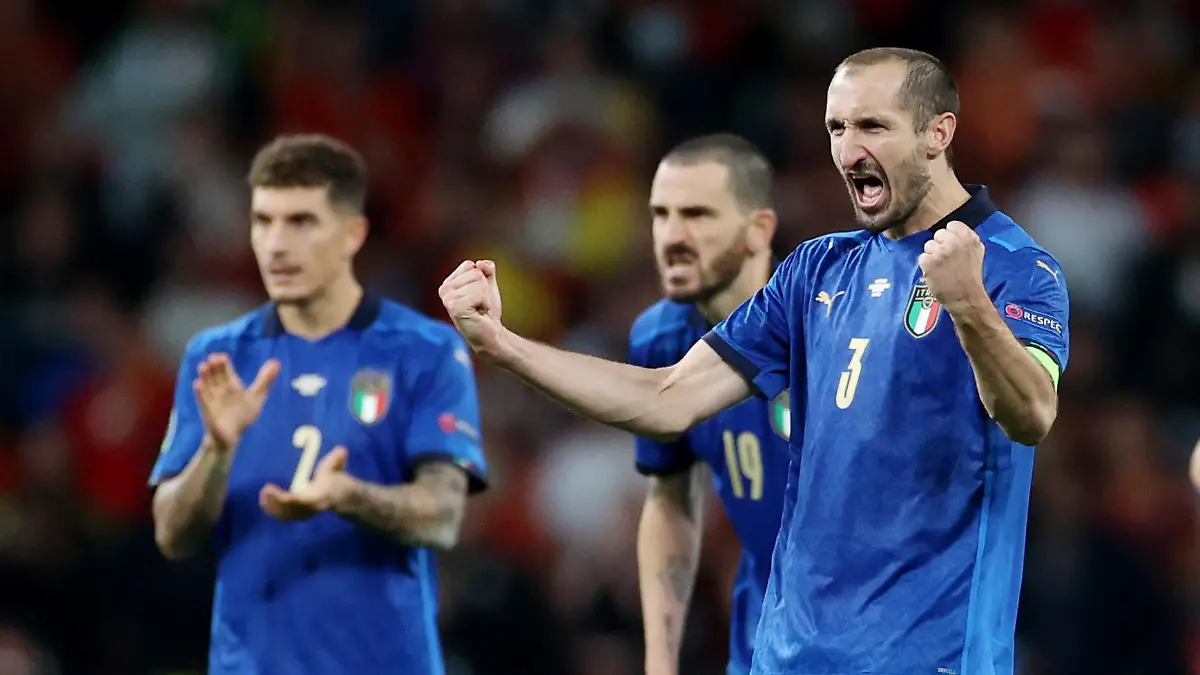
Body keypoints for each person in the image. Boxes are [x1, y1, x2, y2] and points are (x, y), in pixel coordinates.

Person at [440, 47, 1068, 675]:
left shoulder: (1016, 266)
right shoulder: (819, 269)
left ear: (939, 133)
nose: (849, 152)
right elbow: (667, 398)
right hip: (789, 658)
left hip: (929, 657)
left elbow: (1031, 413)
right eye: (837, 128)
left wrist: (971, 308)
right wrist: (503, 345)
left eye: (873, 126)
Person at [151, 134, 487, 674]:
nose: (276, 244)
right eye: (264, 221)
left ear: (352, 233)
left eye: (301, 222)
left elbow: (442, 518)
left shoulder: (424, 351)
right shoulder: (216, 357)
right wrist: (216, 449)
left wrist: (348, 495)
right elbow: (171, 535)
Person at [631, 133, 792, 675]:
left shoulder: (822, 328)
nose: (672, 236)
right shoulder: (661, 339)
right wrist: (659, 660)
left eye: (697, 214)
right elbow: (669, 497)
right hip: (761, 643)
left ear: (759, 231)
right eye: (661, 214)